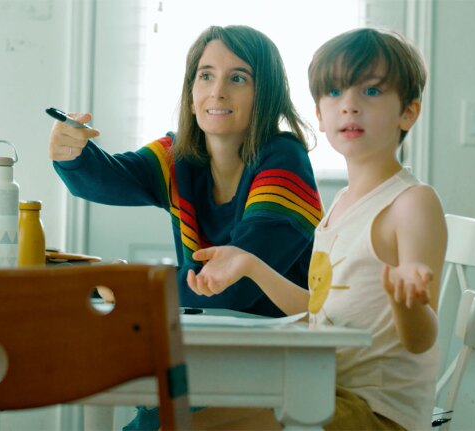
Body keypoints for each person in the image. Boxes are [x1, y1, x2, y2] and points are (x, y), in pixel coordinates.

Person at [49, 25, 322, 430]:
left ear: (265, 95)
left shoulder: (284, 160)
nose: (218, 91)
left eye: (238, 78)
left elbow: (235, 288)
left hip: (274, 362)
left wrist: (129, 286)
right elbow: (103, 177)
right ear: (191, 92)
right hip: (208, 351)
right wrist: (71, 152)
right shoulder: (179, 156)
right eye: (206, 75)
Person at [186, 28, 447, 430]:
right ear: (320, 116)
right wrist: (251, 265)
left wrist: (407, 301)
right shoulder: (340, 207)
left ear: (408, 112)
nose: (350, 106)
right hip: (324, 391)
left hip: (373, 413)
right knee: (184, 420)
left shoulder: (411, 203)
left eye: (371, 92)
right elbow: (318, 311)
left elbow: (420, 339)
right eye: (335, 93)